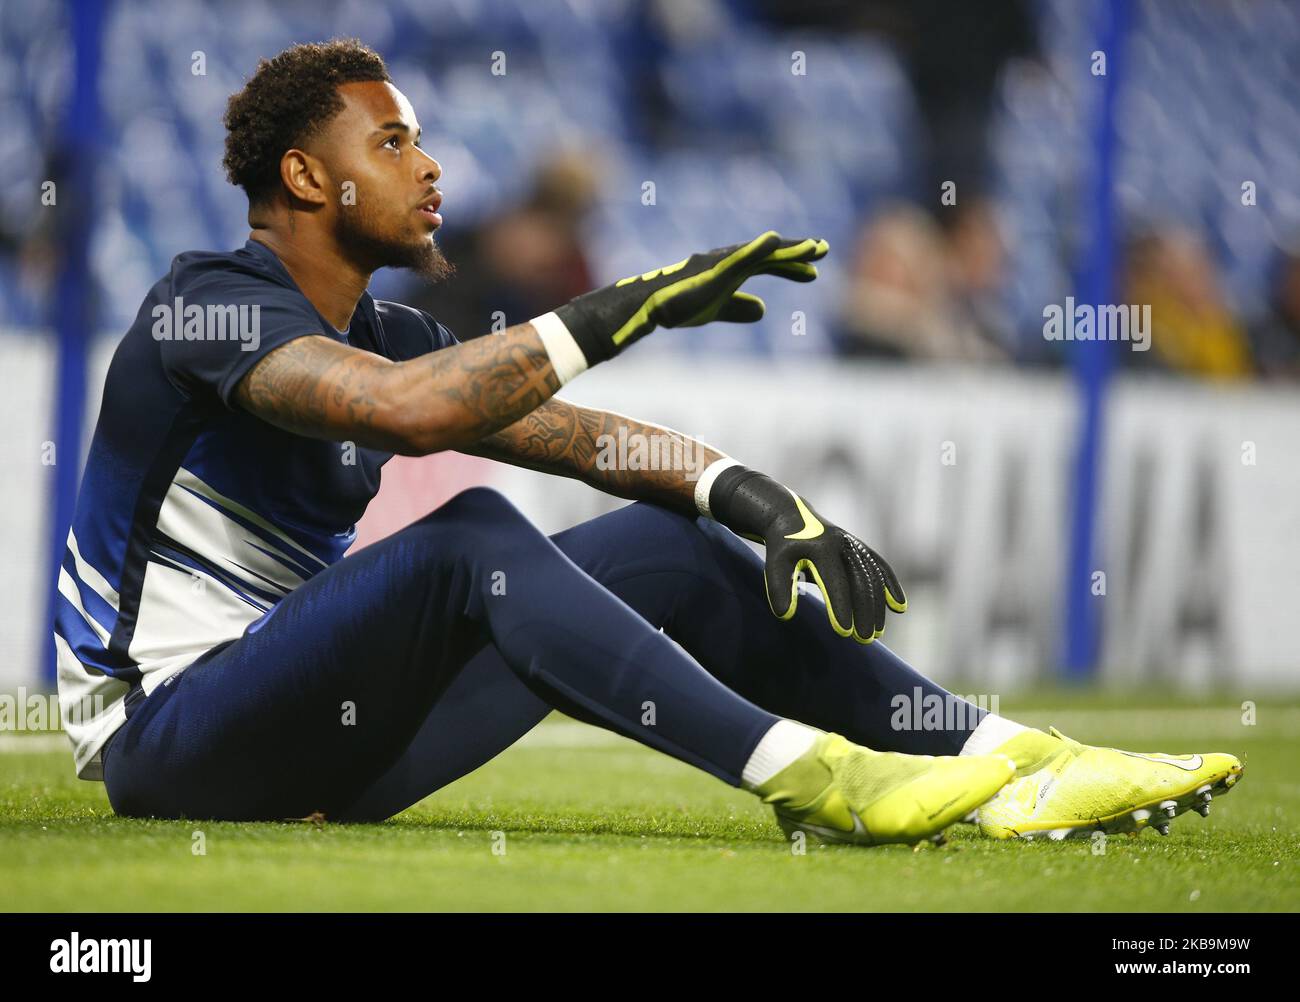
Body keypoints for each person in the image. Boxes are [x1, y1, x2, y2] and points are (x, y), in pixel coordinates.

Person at [55, 40, 1241, 847]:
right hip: (168, 745)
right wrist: (624, 307)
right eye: (393, 144)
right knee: (471, 538)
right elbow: (404, 413)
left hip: (310, 754)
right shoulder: (199, 308)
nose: (429, 169)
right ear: (307, 175)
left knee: (679, 547)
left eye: (421, 141)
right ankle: (814, 778)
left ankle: (1014, 762)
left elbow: (575, 439)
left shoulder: (391, 332)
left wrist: (743, 492)